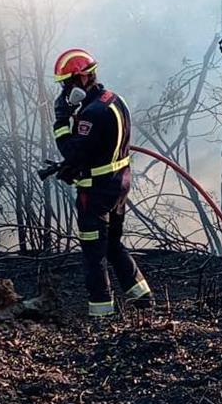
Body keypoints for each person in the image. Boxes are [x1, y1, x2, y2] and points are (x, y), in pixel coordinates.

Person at [51, 48, 153, 317]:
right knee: (113, 244)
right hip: (119, 184)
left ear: (82, 78)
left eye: (67, 84)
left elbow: (73, 150)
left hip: (96, 192)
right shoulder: (114, 100)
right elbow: (99, 148)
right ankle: (142, 297)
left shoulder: (92, 114)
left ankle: (101, 313)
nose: (64, 91)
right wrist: (75, 166)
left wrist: (61, 121)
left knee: (93, 252)